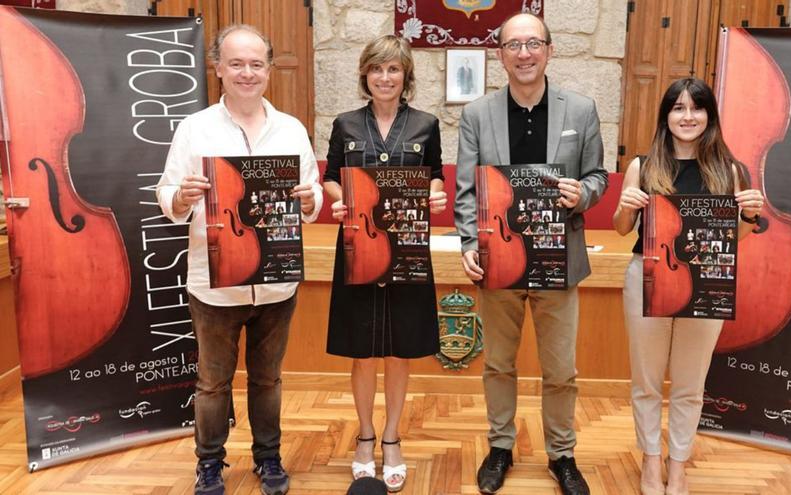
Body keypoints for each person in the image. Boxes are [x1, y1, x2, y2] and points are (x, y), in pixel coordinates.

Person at [156, 24, 322, 495]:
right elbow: (166, 195)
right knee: (212, 383)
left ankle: (268, 458)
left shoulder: (291, 129)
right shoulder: (194, 128)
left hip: (276, 284)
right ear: (218, 69)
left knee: (268, 379)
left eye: (256, 63)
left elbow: (309, 204)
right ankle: (209, 463)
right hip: (214, 284)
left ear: (269, 69)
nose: (247, 72)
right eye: (236, 63)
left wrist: (308, 201)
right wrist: (183, 196)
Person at [454, 13, 607, 495]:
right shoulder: (478, 114)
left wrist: (580, 195)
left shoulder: (580, 110)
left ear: (549, 50)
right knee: (498, 364)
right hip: (497, 259)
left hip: (557, 260)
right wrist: (468, 243)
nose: (524, 53)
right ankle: (500, 447)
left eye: (533, 43)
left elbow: (598, 176)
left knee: (561, 370)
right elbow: (464, 192)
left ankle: (562, 455)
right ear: (500, 54)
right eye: (514, 45)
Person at [612, 78, 764, 495]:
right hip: (648, 277)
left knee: (689, 384)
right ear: (666, 116)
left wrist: (748, 217)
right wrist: (625, 207)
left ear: (709, 117)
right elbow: (624, 228)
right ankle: (649, 461)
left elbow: (735, 236)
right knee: (645, 381)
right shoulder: (644, 166)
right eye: (678, 108)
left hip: (706, 282)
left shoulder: (729, 170)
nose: (687, 116)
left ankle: (677, 467)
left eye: (696, 108)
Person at [322, 35, 447, 493]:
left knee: (399, 347)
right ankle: (365, 435)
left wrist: (434, 198)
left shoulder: (427, 124)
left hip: (408, 247)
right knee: (362, 349)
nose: (385, 77)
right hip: (358, 245)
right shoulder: (345, 123)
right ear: (365, 75)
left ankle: (392, 437)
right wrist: (343, 203)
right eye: (377, 69)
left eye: (393, 70)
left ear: (405, 75)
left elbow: (435, 179)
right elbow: (331, 179)